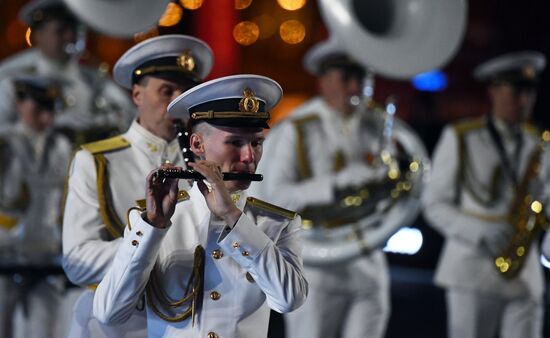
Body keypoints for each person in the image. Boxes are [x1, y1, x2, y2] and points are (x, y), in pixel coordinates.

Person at [92, 74, 308, 338]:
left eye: (256, 142)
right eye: (235, 142)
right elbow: (109, 312)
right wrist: (153, 227)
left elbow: (289, 300)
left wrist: (232, 217)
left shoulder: (278, 224)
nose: (249, 156)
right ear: (197, 144)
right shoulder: (151, 220)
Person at [62, 34, 214, 337]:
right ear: (136, 95)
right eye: (166, 92)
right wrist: (152, 244)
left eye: (185, 94)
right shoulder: (98, 160)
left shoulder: (207, 163)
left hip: (187, 323)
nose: (175, 105)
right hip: (115, 324)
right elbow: (77, 261)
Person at [248, 39, 393, 338]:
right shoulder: (296, 128)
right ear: (324, 81)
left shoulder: (376, 126)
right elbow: (273, 198)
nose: (355, 88)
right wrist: (337, 183)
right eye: (346, 78)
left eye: (362, 78)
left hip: (368, 263)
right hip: (318, 264)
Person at [423, 51, 549, 338]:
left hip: (525, 275)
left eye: (529, 91)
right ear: (493, 90)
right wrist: (479, 230)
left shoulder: (539, 142)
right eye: (516, 90)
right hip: (471, 271)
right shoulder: (462, 137)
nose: (524, 100)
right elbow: (434, 204)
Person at [0, 0, 134, 142]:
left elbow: (130, 116)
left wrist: (107, 120)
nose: (70, 37)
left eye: (77, 30)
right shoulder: (15, 78)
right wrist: (50, 126)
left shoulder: (94, 79)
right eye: (61, 30)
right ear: (38, 35)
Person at [0, 75, 72, 338]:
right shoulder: (5, 142)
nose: (45, 116)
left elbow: (66, 198)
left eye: (50, 108)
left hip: (46, 248)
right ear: (20, 104)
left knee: (47, 330)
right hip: (5, 247)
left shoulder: (62, 146)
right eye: (37, 107)